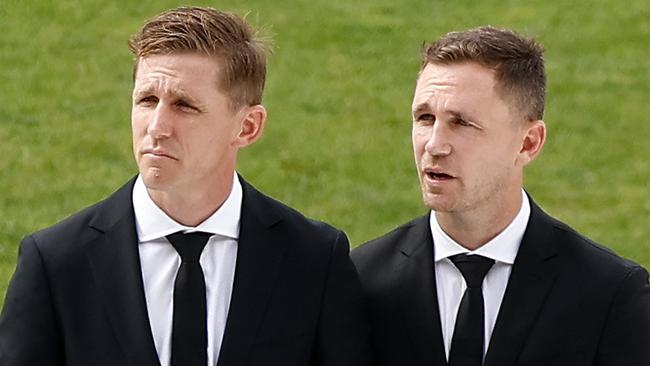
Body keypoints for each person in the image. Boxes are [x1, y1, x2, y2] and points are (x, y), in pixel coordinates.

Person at [0, 7, 371, 366]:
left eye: (184, 105)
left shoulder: (314, 260)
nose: (156, 127)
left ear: (247, 127)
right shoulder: (56, 263)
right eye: (147, 100)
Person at [351, 26, 650, 366]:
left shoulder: (609, 293)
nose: (434, 145)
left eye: (461, 123)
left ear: (528, 143)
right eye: (425, 118)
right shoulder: (360, 280)